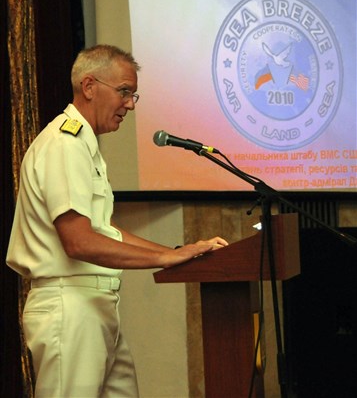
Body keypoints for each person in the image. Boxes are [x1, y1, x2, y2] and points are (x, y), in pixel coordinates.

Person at [6, 44, 228, 398]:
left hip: (97, 306)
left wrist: (178, 251)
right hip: (71, 306)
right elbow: (79, 241)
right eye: (124, 91)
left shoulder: (83, 145)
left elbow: (103, 230)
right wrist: (166, 258)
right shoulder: (65, 143)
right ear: (89, 86)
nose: (131, 104)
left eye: (133, 93)